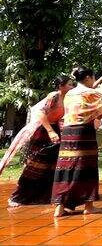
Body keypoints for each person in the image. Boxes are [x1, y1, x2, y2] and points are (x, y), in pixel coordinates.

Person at [52, 66, 102, 217]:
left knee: (67, 167)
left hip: (68, 133)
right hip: (84, 133)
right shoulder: (91, 93)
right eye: (94, 78)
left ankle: (60, 207)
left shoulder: (69, 93)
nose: (94, 80)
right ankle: (89, 206)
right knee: (86, 167)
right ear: (88, 78)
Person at [2, 76, 74, 206]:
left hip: (55, 129)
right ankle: (17, 197)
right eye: (69, 84)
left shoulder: (68, 99)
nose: (72, 87)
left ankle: (43, 196)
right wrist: (50, 131)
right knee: (36, 165)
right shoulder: (54, 96)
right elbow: (41, 113)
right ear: (60, 86)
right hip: (43, 130)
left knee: (53, 164)